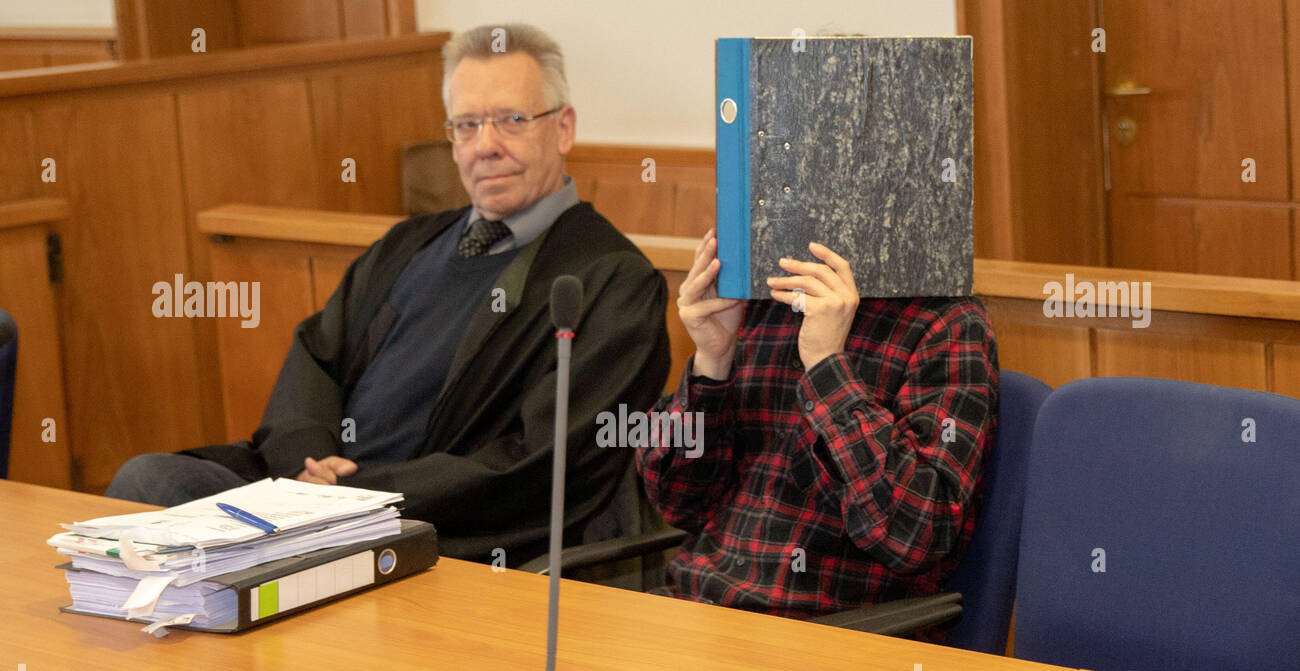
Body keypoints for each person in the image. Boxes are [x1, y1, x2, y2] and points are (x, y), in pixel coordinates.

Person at [107, 23, 669, 565]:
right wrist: (306, 464)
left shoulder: (610, 280)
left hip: (425, 527)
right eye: (466, 125)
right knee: (148, 482)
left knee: (186, 521)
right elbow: (318, 355)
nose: (486, 146)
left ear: (564, 128)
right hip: (309, 497)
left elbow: (545, 460)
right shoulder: (410, 243)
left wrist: (362, 499)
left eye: (511, 120)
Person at [636, 229, 998, 624]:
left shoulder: (948, 321)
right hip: (699, 608)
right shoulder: (761, 299)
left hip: (830, 631)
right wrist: (711, 362)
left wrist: (827, 366)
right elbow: (674, 501)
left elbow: (914, 535)